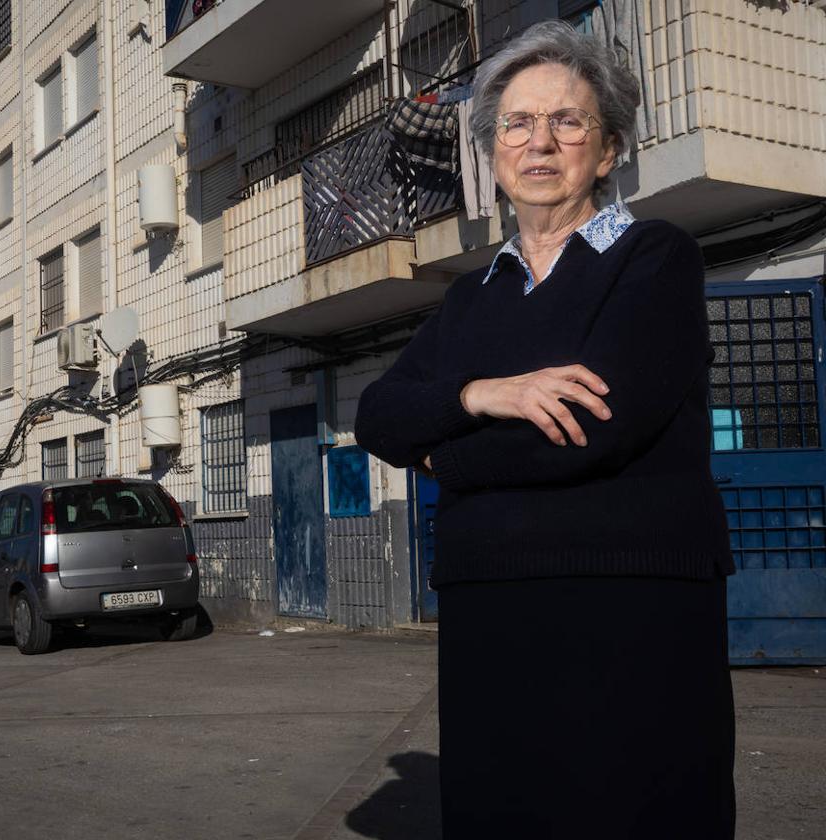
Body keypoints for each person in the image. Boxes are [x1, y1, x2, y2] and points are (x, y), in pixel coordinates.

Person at [354, 20, 736, 840]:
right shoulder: (470, 300)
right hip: (492, 618)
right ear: (492, 156)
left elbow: (593, 427)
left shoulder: (654, 258)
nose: (539, 143)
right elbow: (376, 415)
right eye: (516, 125)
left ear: (608, 151)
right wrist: (484, 393)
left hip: (631, 613)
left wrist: (440, 452)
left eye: (568, 121)